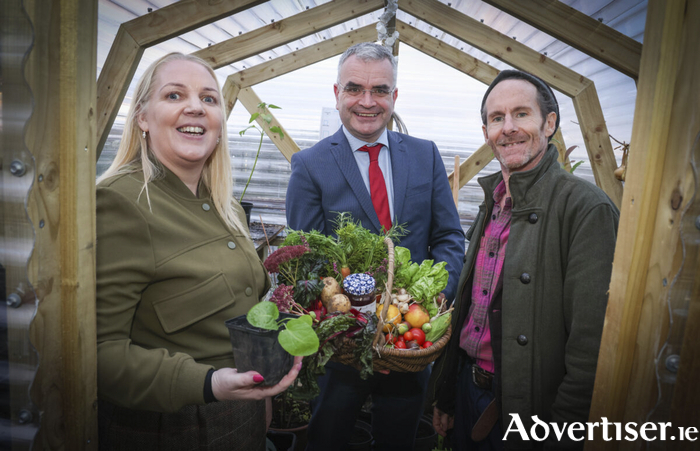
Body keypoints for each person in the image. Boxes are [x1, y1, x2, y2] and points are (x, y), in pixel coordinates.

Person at [95, 52, 302, 451]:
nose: (195, 107)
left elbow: (244, 310)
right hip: (175, 426)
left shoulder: (227, 207)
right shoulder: (121, 202)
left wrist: (262, 395)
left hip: (241, 411)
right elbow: (97, 354)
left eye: (209, 99)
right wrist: (207, 383)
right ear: (142, 117)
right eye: (174, 95)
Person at [285, 42, 465, 450]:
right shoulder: (311, 165)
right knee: (328, 438)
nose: (367, 102)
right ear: (336, 94)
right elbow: (307, 261)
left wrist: (432, 301)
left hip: (409, 343)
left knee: (398, 439)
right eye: (355, 89)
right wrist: (358, 329)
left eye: (380, 90)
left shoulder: (425, 155)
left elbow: (449, 237)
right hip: (341, 346)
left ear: (394, 96)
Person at [428, 70, 620, 450]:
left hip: (529, 412)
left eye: (521, 114)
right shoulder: (495, 201)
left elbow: (591, 346)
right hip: (470, 393)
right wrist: (448, 396)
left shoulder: (585, 208)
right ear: (486, 132)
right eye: (497, 118)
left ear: (549, 123)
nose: (508, 128)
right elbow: (469, 310)